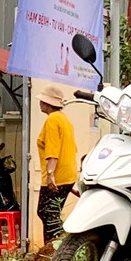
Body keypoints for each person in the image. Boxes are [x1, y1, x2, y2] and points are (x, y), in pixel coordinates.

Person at [36, 85, 78, 245]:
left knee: (47, 212)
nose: (40, 103)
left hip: (57, 176)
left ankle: (56, 246)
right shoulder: (65, 119)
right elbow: (71, 147)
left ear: (47, 103)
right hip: (68, 175)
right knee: (51, 212)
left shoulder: (52, 120)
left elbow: (52, 150)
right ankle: (54, 246)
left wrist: (50, 175)